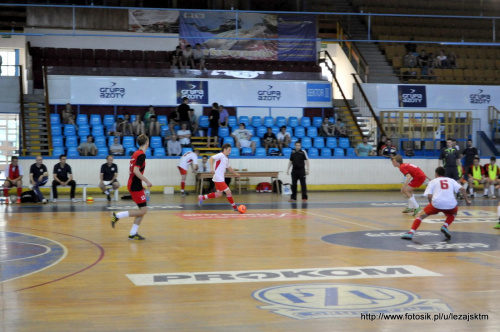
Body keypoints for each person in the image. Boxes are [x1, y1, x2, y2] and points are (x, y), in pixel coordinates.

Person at [401, 166, 471, 240]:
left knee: (420, 216)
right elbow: (463, 189)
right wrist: (467, 201)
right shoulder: (451, 180)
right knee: (454, 213)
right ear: (444, 174)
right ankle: (445, 226)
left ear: (436, 174)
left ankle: (411, 233)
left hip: (437, 203)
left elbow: (429, 195)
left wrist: (432, 205)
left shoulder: (433, 181)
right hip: (451, 204)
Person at [111, 134, 152, 240]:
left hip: (134, 183)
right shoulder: (141, 155)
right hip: (134, 185)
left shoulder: (135, 153)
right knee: (143, 210)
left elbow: (132, 171)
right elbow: (135, 170)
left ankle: (133, 233)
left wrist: (140, 183)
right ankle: (118, 215)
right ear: (147, 143)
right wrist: (147, 181)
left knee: (142, 210)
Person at [198, 144, 242, 212]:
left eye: (230, 150)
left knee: (219, 194)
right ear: (224, 149)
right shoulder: (220, 155)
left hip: (219, 178)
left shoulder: (226, 158)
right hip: (218, 178)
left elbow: (229, 168)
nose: (229, 152)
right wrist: (212, 168)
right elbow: (211, 158)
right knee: (228, 192)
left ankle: (202, 197)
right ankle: (235, 207)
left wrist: (235, 174)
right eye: (228, 150)